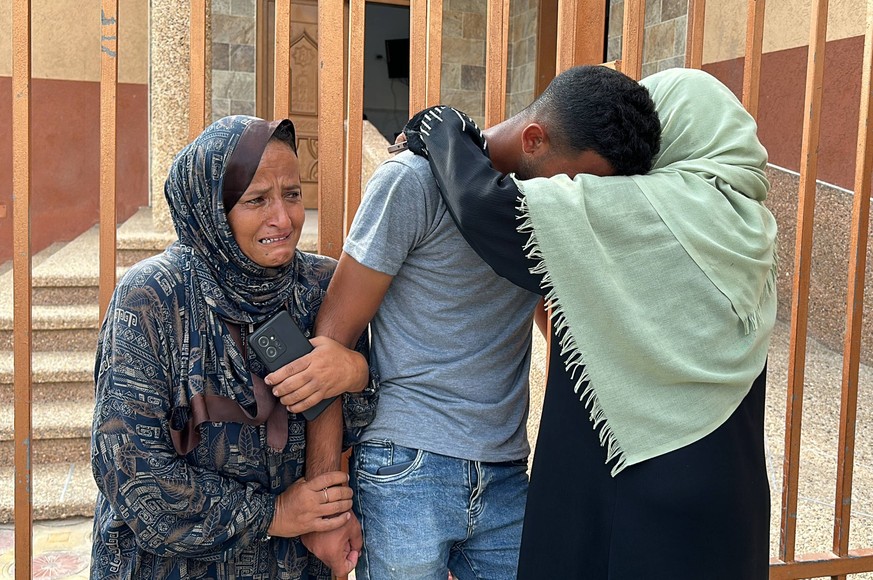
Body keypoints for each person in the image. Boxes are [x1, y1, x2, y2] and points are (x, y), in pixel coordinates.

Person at [268, 65, 661, 578]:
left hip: (506, 473)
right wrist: (327, 508)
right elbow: (331, 340)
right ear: (535, 140)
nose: (580, 200)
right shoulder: (412, 180)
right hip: (405, 466)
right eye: (579, 181)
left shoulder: (553, 216)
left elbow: (568, 333)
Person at [403, 67, 777, 578]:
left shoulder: (661, 206)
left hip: (643, 486)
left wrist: (443, 129)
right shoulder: (748, 224)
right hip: (732, 489)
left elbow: (493, 211)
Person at [90, 115, 378, 579]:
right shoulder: (154, 298)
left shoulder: (321, 288)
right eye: (256, 200)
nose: (282, 219)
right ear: (212, 210)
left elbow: (364, 429)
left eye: (293, 194)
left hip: (290, 568)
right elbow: (132, 473)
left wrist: (354, 373)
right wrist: (275, 514)